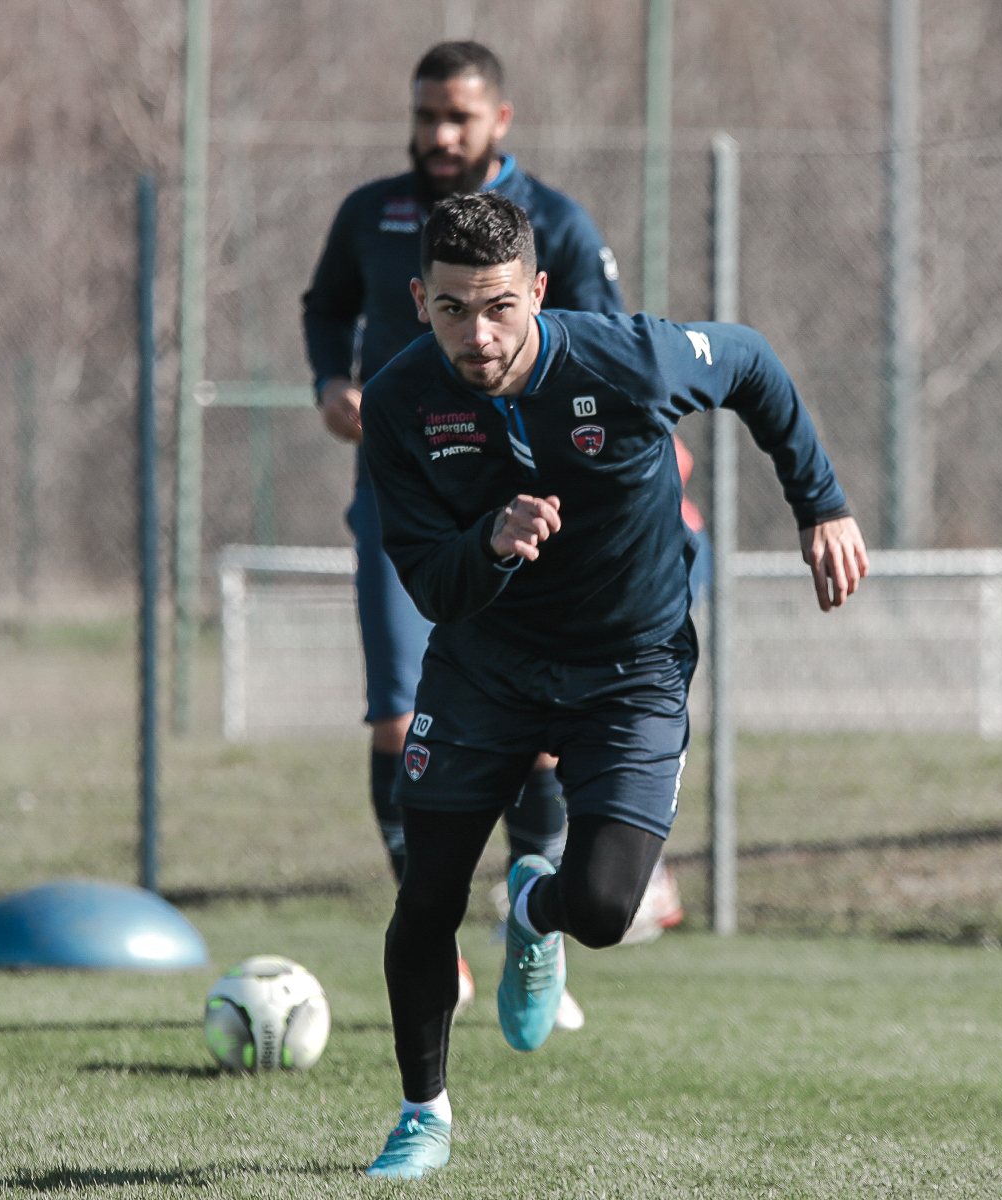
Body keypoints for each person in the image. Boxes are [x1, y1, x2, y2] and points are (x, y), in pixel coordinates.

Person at [357, 193, 868, 1179]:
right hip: (484, 670)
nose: (479, 332)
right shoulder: (398, 402)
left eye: (500, 305)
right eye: (454, 308)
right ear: (420, 300)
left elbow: (752, 364)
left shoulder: (623, 359)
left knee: (600, 907)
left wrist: (821, 503)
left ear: (539, 291)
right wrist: (491, 545)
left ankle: (535, 914)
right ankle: (423, 1118)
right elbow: (426, 576)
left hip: (630, 670)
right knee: (423, 898)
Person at [301, 41, 653, 1023]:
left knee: (538, 731)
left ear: (502, 119)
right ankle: (437, 943)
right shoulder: (371, 215)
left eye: (458, 117)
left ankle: (528, 929)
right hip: (406, 500)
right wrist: (331, 380)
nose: (437, 136)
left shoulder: (559, 226)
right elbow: (325, 308)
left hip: (532, 507)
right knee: (395, 713)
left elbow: (614, 354)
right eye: (424, 117)